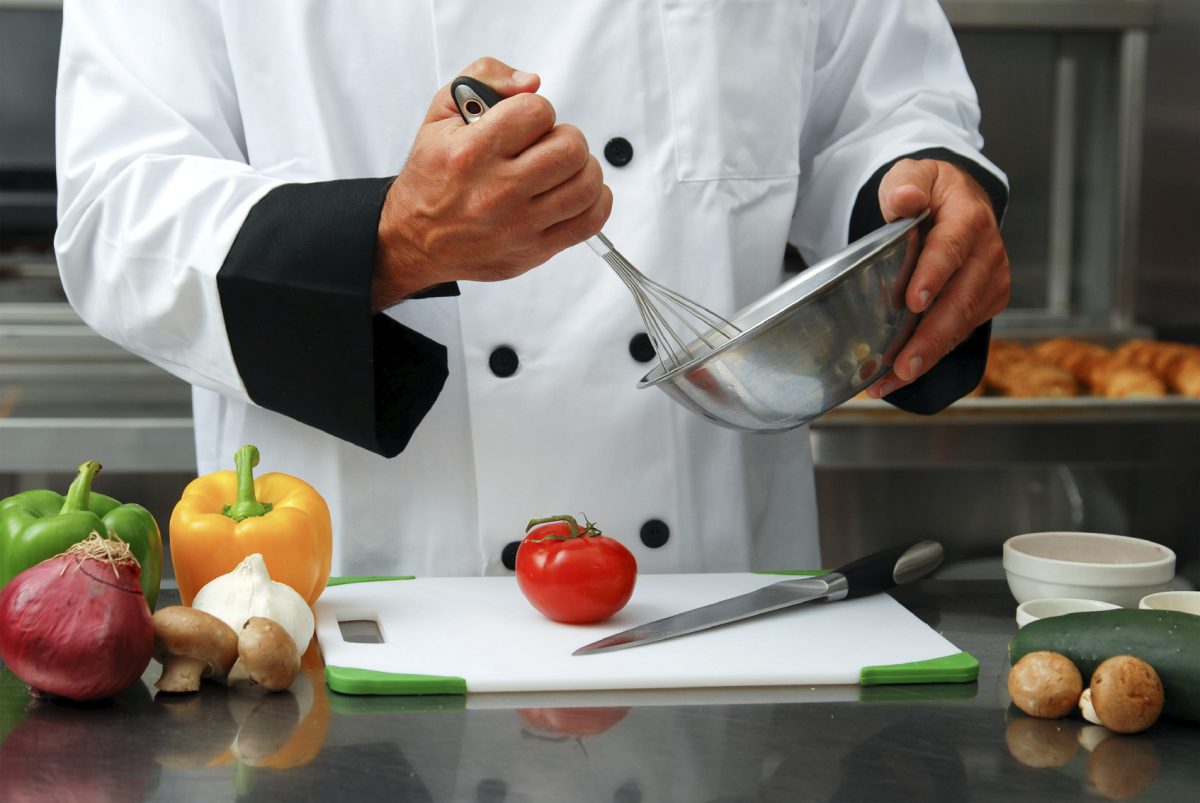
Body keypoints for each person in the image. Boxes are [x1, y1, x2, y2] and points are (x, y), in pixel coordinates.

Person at [54, 1, 1010, 578]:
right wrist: (391, 240)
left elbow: (888, 102)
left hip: (721, 606)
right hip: (358, 603)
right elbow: (115, 208)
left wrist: (917, 193)